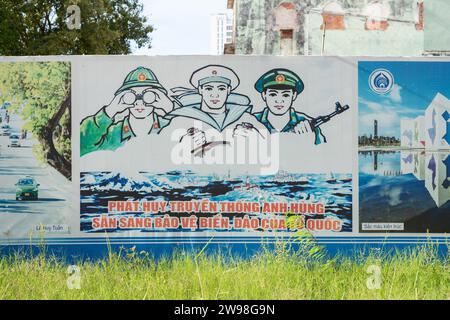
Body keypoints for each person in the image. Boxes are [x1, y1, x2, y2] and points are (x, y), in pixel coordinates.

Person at [165, 65, 268, 155]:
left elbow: (272, 148)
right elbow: (159, 151)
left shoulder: (246, 118)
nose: (215, 94)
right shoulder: (180, 120)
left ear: (229, 90)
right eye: (209, 88)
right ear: (200, 90)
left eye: (221, 88)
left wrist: (258, 139)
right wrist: (181, 146)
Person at [80, 67, 175, 156]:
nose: (139, 102)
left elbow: (186, 135)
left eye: (149, 96)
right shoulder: (113, 134)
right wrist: (110, 110)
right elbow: (82, 145)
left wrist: (171, 108)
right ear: (122, 97)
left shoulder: (169, 126)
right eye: (131, 96)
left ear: (159, 97)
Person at [253, 68, 326, 145]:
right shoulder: (253, 121)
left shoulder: (307, 123)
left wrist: (308, 141)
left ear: (294, 95)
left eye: (285, 95)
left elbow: (322, 152)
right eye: (273, 94)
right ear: (264, 95)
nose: (279, 100)